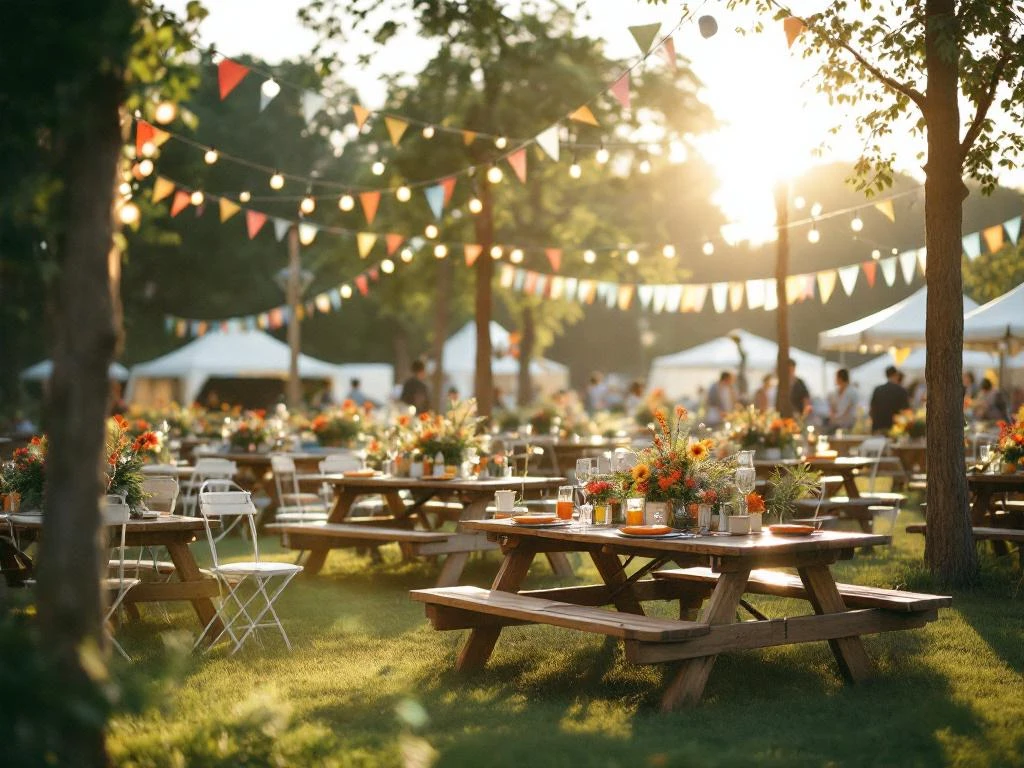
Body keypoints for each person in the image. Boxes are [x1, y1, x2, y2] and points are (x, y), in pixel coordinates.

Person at [870, 365, 910, 433]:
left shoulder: (877, 389)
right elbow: (906, 411)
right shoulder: (901, 391)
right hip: (894, 429)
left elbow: (872, 409)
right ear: (896, 375)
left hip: (877, 428)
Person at [826, 369, 858, 433]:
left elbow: (848, 409)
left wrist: (835, 417)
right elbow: (832, 406)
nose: (835, 379)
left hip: (848, 424)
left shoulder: (852, 392)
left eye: (836, 377)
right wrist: (832, 416)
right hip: (835, 424)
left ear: (840, 378)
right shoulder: (834, 393)